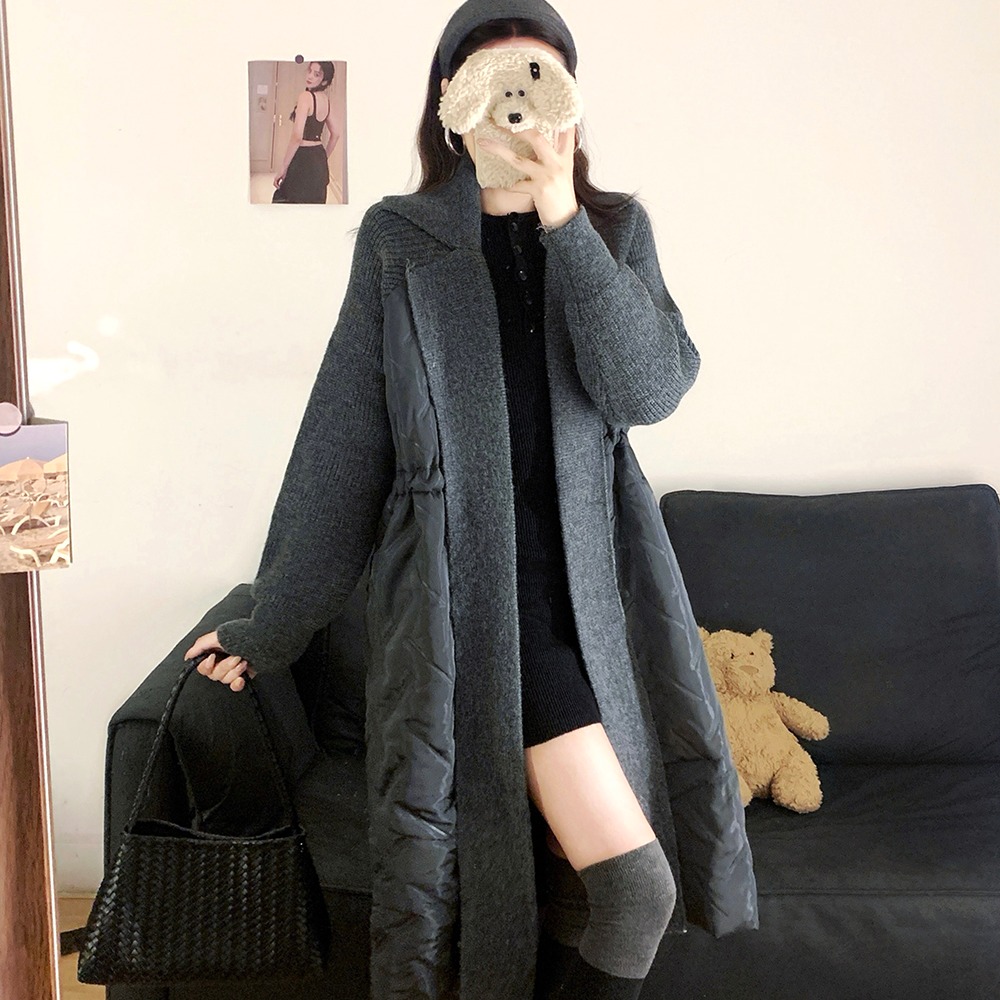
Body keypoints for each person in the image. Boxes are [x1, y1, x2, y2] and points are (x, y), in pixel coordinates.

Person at [186, 2, 758, 998]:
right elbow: (344, 444)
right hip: (477, 610)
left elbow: (648, 391)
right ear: (451, 104)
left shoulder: (615, 228)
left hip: (601, 609)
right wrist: (272, 623)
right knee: (636, 892)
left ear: (571, 101)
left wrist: (564, 219)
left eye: (540, 79)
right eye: (495, 83)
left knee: (586, 894)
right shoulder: (402, 240)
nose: (517, 105)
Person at [271, 60, 339, 203]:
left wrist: (283, 167)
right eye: (309, 71)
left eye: (316, 74)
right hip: (319, 159)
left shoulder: (305, 97)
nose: (310, 76)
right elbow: (336, 134)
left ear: (325, 81)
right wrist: (323, 158)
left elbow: (297, 136)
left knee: (289, 204)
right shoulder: (326, 100)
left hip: (302, 158)